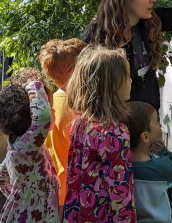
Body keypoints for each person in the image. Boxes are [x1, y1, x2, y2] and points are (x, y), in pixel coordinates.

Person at [63, 45, 135, 223]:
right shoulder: (115, 133)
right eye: (127, 76)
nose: (132, 81)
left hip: (78, 214)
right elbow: (120, 191)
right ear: (112, 86)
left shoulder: (80, 124)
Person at [0, 76, 60, 223]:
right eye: (49, 106)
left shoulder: (18, 147)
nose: (52, 111)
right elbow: (43, 118)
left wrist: (21, 197)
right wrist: (33, 85)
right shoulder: (27, 147)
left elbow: (1, 178)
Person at [39, 38, 87, 216]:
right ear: (74, 72)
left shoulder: (49, 103)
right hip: (72, 193)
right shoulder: (77, 108)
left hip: (53, 189)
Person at [127, 101, 172, 223]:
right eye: (155, 121)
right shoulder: (161, 167)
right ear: (145, 137)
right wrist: (163, 152)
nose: (159, 124)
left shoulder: (120, 167)